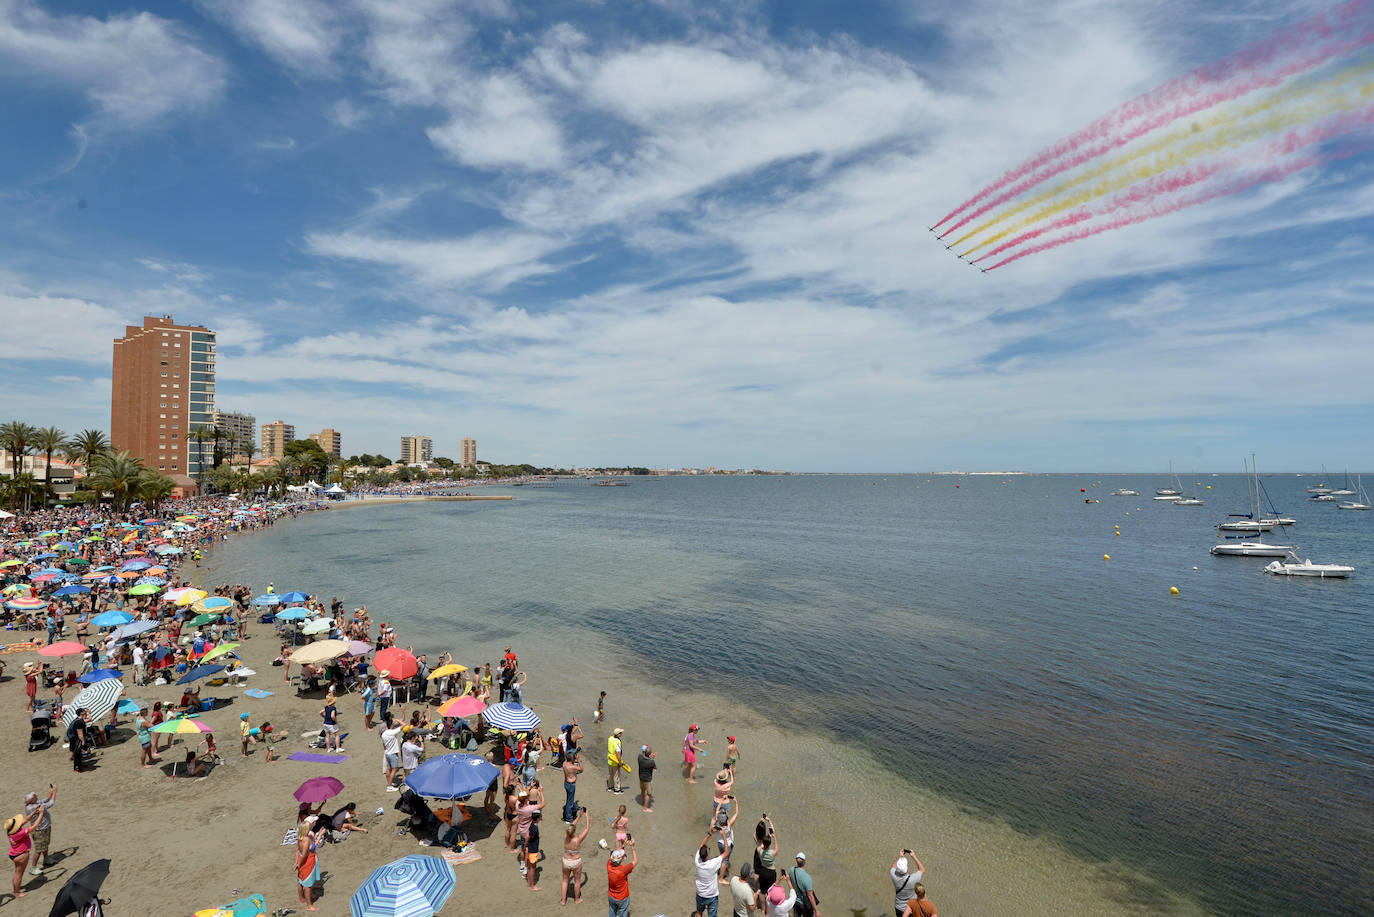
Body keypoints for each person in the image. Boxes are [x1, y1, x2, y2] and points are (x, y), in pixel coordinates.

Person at [692, 825, 729, 917]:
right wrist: (724, 836)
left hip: (700, 893)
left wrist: (710, 833)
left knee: (699, 913)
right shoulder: (712, 864)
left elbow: (701, 846)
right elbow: (726, 852)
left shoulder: (697, 861)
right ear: (707, 856)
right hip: (711, 895)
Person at [6, 809, 43, 899]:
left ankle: (16, 889)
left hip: (14, 854)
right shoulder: (19, 833)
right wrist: (41, 813)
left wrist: (34, 812)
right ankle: (16, 892)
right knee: (19, 874)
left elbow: (26, 820)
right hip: (21, 855)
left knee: (17, 872)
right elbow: (34, 826)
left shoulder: (11, 831)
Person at [21, 786, 56, 876]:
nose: (36, 796)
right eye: (34, 796)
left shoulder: (34, 803)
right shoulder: (34, 807)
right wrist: (55, 792)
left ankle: (46, 859)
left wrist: (51, 791)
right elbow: (51, 803)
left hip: (44, 828)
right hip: (39, 831)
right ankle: (33, 868)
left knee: (45, 844)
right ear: (31, 800)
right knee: (38, 850)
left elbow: (45, 799)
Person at [560, 807, 589, 906]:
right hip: (576, 861)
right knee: (577, 881)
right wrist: (586, 816)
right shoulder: (578, 840)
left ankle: (563, 901)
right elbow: (587, 828)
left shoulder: (565, 836)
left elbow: (572, 825)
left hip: (566, 860)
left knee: (565, 880)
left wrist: (578, 817)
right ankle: (576, 899)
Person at [295, 814, 324, 911]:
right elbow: (305, 854)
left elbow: (297, 851)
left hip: (302, 862)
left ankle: (301, 898)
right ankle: (309, 906)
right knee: (308, 886)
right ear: (310, 825)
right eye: (314, 822)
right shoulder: (307, 839)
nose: (316, 823)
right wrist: (300, 864)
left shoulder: (301, 836)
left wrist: (297, 862)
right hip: (308, 863)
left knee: (300, 881)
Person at [606, 837, 637, 917]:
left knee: (612, 913)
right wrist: (633, 848)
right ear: (620, 860)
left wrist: (623, 845)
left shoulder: (608, 865)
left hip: (611, 896)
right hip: (623, 898)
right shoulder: (623, 870)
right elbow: (635, 861)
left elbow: (614, 855)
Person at [890, 850, 926, 917]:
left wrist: (900, 857)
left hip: (898, 907)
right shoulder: (912, 879)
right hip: (911, 909)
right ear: (906, 867)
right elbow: (922, 870)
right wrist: (914, 856)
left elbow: (892, 867)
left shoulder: (893, 875)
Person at [789, 853, 820, 917]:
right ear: (804, 862)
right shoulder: (807, 877)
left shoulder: (792, 870)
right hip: (804, 904)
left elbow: (789, 881)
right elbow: (810, 896)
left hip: (795, 901)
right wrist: (816, 910)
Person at [753, 815, 778, 893]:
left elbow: (758, 830)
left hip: (758, 854)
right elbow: (773, 831)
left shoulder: (755, 836)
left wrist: (761, 822)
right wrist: (769, 821)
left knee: (756, 872)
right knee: (764, 868)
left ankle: (756, 889)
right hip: (764, 854)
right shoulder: (766, 839)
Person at [381, 712, 404, 791]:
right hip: (393, 753)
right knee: (394, 769)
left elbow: (383, 745)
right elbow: (404, 725)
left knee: (388, 768)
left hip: (387, 753)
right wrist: (397, 719)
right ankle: (389, 786)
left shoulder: (384, 734)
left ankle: (389, 783)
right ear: (392, 725)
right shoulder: (393, 732)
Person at [561, 747, 583, 823]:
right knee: (570, 802)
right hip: (571, 785)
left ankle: (570, 812)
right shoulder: (572, 767)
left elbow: (570, 759)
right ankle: (569, 819)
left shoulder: (564, 764)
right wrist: (579, 759)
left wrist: (576, 753)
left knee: (569, 800)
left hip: (566, 783)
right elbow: (581, 769)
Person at [524, 810, 543, 891]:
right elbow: (528, 837)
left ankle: (528, 880)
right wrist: (526, 845)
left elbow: (528, 835)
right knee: (532, 868)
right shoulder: (535, 828)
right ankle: (531, 886)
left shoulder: (532, 824)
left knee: (529, 867)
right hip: (533, 850)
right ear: (538, 818)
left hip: (530, 849)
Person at [637, 744, 658, 812]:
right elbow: (655, 768)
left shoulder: (639, 757)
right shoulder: (651, 762)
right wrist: (652, 758)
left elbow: (643, 754)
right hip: (648, 780)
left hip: (641, 778)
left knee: (642, 790)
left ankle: (643, 802)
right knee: (649, 794)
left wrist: (649, 756)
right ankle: (645, 808)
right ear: (649, 754)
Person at [606, 727, 625, 793]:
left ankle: (609, 787)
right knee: (616, 775)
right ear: (618, 734)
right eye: (620, 733)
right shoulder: (617, 742)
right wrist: (620, 762)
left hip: (609, 759)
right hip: (615, 761)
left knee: (610, 774)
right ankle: (617, 790)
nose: (621, 734)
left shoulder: (610, 738)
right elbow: (618, 753)